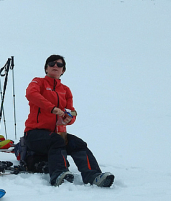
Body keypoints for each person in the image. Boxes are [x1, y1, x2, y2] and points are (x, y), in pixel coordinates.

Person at [24, 55, 114, 187]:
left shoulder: (65, 90)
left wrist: (69, 119)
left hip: (58, 134)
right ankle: (58, 175)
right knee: (56, 140)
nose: (55, 66)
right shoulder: (38, 82)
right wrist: (52, 108)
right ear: (46, 68)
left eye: (59, 65)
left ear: (63, 70)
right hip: (34, 134)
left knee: (78, 144)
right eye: (51, 63)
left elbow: (71, 111)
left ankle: (93, 176)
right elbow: (31, 94)